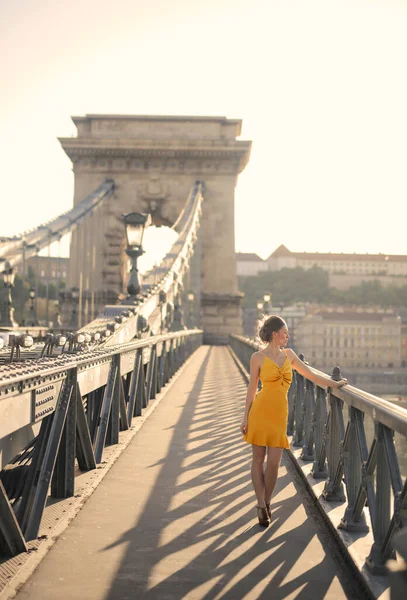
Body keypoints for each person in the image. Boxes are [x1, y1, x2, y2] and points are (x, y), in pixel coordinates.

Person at [241, 314, 347, 527]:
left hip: (280, 414)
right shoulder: (257, 358)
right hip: (260, 412)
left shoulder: (289, 356)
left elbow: (310, 375)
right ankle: (261, 504)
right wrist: (245, 417)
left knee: (273, 463)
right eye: (285, 333)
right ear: (274, 334)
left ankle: (267, 501)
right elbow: (252, 389)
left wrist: (333, 385)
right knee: (258, 460)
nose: (288, 337)